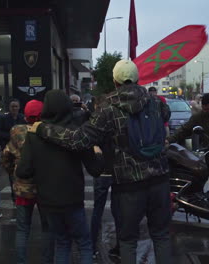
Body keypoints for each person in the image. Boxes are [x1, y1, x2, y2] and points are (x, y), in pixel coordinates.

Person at [29, 59, 172, 264]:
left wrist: (43, 128)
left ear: (115, 82)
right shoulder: (156, 103)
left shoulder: (108, 109)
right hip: (160, 179)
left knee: (128, 240)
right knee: (161, 236)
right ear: (138, 79)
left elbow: (78, 140)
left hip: (128, 186)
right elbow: (166, 115)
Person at [16, 90, 103, 264]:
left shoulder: (34, 134)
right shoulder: (75, 134)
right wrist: (97, 152)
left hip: (47, 201)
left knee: (62, 243)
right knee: (84, 244)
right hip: (73, 200)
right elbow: (95, 169)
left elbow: (23, 171)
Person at [2, 99, 55, 264]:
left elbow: (6, 156)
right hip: (45, 188)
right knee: (47, 227)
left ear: (25, 115)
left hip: (23, 187)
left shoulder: (17, 131)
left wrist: (13, 173)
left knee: (22, 229)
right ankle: (47, 261)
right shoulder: (50, 131)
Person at [89, 96, 121, 260]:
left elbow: (89, 142)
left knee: (97, 210)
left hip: (101, 172)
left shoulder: (95, 122)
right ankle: (120, 247)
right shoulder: (117, 121)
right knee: (118, 211)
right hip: (116, 170)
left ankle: (93, 246)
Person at [0, 98, 27, 202]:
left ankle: (22, 194)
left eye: (16, 106)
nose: (14, 108)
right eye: (12, 106)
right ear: (9, 108)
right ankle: (14, 196)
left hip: (22, 151)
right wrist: (12, 136)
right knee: (11, 174)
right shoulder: (4, 119)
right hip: (9, 151)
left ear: (19, 107)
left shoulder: (23, 118)